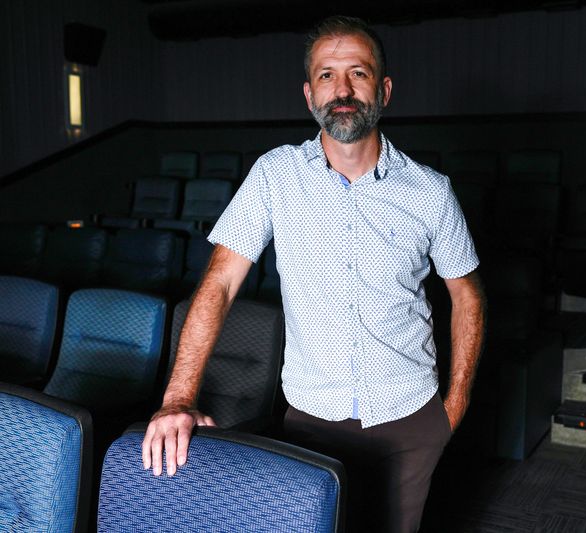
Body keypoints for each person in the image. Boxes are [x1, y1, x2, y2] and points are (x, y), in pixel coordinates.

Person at [142, 15, 486, 533]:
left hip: (410, 420)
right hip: (310, 423)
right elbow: (220, 284)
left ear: (384, 90)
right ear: (309, 95)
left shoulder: (431, 192)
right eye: (327, 75)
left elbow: (468, 297)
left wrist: (452, 407)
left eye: (358, 73)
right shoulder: (274, 175)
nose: (342, 89)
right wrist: (177, 399)